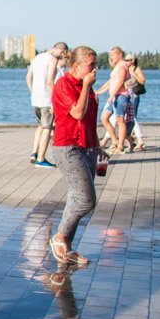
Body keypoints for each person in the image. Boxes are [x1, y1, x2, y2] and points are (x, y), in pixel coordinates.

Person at [49, 46, 100, 265]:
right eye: (91, 65)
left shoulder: (85, 86)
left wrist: (98, 144)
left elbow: (89, 119)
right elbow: (77, 113)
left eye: (96, 65)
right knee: (86, 200)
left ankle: (66, 246)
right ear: (77, 65)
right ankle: (59, 236)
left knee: (76, 196)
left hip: (87, 147)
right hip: (68, 147)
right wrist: (87, 85)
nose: (95, 70)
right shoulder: (64, 85)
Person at [27, 42, 68, 168]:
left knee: (40, 126)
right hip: (46, 100)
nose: (63, 57)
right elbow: (50, 82)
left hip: (35, 100)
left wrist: (33, 92)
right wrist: (54, 100)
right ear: (60, 50)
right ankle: (41, 158)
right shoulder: (52, 60)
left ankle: (34, 153)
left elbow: (28, 77)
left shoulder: (37, 57)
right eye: (63, 53)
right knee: (47, 128)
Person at [96, 46, 130, 153]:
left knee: (120, 120)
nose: (111, 57)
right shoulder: (116, 67)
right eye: (109, 55)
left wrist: (112, 95)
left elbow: (120, 82)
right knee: (104, 118)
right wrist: (98, 92)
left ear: (120, 55)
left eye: (113, 55)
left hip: (121, 96)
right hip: (115, 96)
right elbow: (110, 82)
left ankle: (120, 146)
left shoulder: (122, 65)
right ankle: (114, 140)